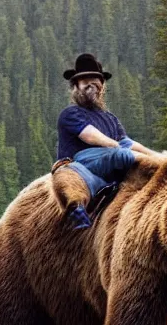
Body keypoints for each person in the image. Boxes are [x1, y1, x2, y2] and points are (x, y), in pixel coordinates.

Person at [52, 53, 155, 229]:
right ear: (76, 85)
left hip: (105, 171)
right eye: (85, 81)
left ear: (102, 86)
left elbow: (128, 142)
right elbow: (90, 135)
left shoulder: (110, 118)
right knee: (119, 156)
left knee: (128, 161)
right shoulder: (71, 114)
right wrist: (118, 148)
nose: (91, 84)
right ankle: (76, 210)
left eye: (95, 80)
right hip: (81, 162)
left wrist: (157, 157)